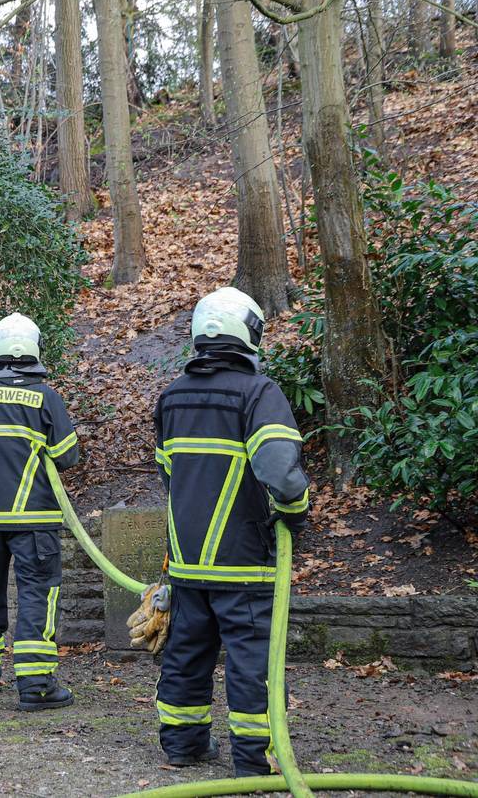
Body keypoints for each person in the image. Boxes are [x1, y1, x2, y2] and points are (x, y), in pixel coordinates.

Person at [153, 287, 311, 776]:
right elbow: (281, 471)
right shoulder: (258, 393)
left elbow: (168, 473)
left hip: (187, 559)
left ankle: (182, 744)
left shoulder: (173, 396)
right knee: (250, 662)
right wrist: (296, 510)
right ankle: (252, 759)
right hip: (242, 558)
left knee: (187, 651)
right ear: (250, 334)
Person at [0, 313, 81, 711]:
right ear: (35, 349)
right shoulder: (45, 397)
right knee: (36, 596)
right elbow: (67, 456)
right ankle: (36, 686)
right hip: (33, 521)